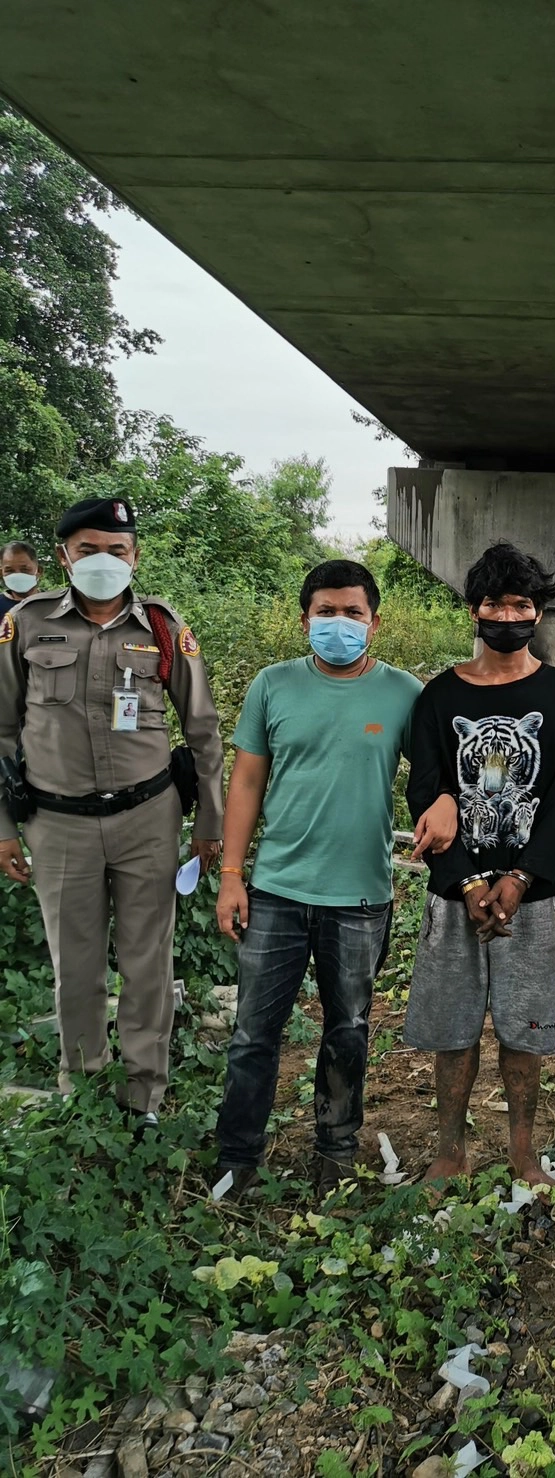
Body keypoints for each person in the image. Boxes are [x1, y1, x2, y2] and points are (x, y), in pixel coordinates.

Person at [213, 559, 458, 1195]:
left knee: (346, 1030)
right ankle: (237, 1157)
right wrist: (233, 874)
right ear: (305, 620)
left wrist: (443, 802)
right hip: (275, 890)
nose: (339, 623)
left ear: (374, 624)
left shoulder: (403, 693)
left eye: (353, 613)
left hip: (359, 896)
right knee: (252, 1034)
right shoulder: (273, 685)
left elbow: (434, 773)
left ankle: (336, 1150)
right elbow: (246, 781)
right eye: (327, 611)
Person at [0, 497, 224, 1126]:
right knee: (74, 966)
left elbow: (202, 731)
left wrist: (208, 824)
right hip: (58, 824)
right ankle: (85, 1089)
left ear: (136, 556)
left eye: (117, 550)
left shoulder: (160, 629)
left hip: (147, 821)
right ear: (65, 554)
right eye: (89, 549)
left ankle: (142, 1097)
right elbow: (0, 729)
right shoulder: (28, 624)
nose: (104, 561)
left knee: (147, 963)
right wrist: (2, 827)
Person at [404, 542, 555, 1188]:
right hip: (456, 891)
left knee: (525, 1028)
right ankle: (450, 1152)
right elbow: (424, 791)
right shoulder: (437, 698)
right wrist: (468, 879)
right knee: (453, 1030)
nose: (506, 614)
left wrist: (520, 878)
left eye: (519, 603)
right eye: (493, 602)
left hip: (531, 897)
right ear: (473, 609)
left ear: (537, 612)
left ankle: (522, 1153)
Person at [0, 541, 43, 616]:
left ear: (39, 571)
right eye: (9, 570)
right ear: (1, 573)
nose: (17, 574)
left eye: (25, 570)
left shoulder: (55, 605)